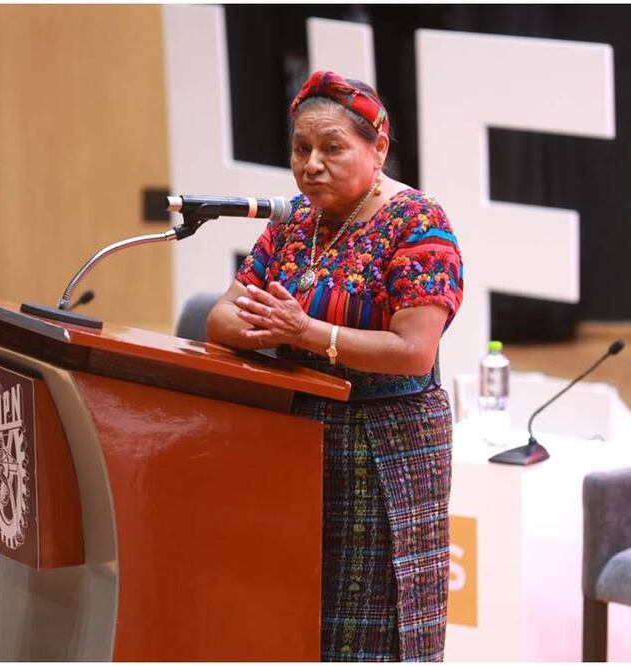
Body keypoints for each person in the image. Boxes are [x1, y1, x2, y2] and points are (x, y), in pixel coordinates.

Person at [206, 70, 464, 662]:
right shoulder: (294, 221)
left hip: (384, 445)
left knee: (371, 629)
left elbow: (414, 351)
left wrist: (307, 333)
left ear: (379, 148)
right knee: (294, 616)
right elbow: (220, 318)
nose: (312, 165)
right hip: (294, 438)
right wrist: (277, 329)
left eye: (332, 148)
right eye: (301, 149)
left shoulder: (418, 223)